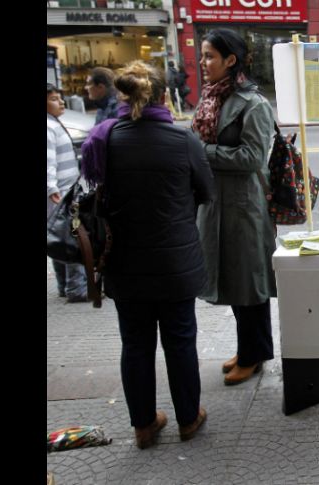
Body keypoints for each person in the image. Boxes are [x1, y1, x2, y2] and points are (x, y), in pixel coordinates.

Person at [81, 60, 214, 449]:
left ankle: (143, 426)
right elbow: (206, 191)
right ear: (163, 96)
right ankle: (188, 419)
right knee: (180, 340)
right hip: (175, 263)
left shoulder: (105, 139)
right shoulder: (183, 140)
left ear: (123, 95)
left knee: (135, 343)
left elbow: (96, 196)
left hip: (125, 262)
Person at [192, 28, 278, 386]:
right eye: (202, 55)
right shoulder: (212, 97)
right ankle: (247, 349)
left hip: (243, 207)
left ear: (230, 60)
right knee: (231, 279)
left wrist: (201, 152)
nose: (203, 62)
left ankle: (254, 354)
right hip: (216, 205)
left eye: (210, 56)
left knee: (249, 283)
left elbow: (253, 157)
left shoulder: (253, 103)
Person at [47, 83, 88, 303]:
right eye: (54, 99)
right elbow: (48, 161)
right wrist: (52, 188)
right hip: (60, 192)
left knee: (59, 236)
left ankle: (64, 285)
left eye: (60, 98)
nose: (61, 102)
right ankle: (76, 287)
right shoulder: (48, 127)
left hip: (64, 189)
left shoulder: (54, 123)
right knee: (72, 238)